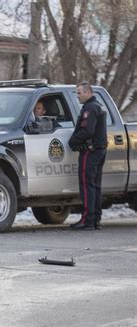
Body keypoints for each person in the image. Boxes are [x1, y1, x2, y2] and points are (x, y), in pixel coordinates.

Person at [68, 82, 108, 230]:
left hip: (90, 152)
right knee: (95, 186)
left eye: (79, 93)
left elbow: (87, 131)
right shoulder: (98, 106)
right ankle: (96, 219)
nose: (77, 96)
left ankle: (87, 220)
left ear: (88, 92)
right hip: (99, 150)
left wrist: (72, 141)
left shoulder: (90, 108)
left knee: (87, 186)